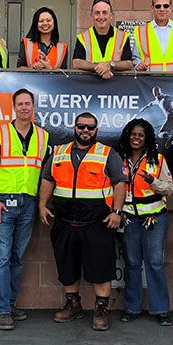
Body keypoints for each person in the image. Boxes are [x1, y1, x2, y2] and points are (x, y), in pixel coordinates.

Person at [39, 113, 127, 331]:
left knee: (101, 268)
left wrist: (117, 211)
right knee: (67, 266)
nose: (85, 131)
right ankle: (73, 304)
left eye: (90, 127)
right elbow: (48, 179)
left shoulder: (107, 153)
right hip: (65, 221)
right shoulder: (59, 152)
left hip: (97, 222)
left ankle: (100, 309)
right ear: (74, 127)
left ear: (96, 130)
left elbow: (120, 183)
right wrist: (42, 205)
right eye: (81, 126)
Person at [0, 88, 49, 330]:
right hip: (3, 202)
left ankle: (10, 303)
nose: (24, 107)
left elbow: (44, 174)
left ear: (33, 107)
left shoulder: (43, 136)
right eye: (20, 104)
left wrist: (41, 203)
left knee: (17, 257)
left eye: (28, 104)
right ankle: (2, 310)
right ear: (13, 107)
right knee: (2, 257)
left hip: (28, 203)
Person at [117, 119, 173, 326]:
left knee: (155, 263)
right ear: (127, 135)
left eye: (141, 135)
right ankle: (132, 308)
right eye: (133, 134)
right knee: (132, 263)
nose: (136, 137)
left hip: (154, 217)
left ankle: (160, 310)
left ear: (147, 138)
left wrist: (153, 181)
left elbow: (169, 188)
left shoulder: (157, 159)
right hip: (128, 218)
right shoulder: (118, 159)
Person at [72, 0, 133, 79]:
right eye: (97, 13)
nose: (101, 17)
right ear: (91, 16)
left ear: (111, 16)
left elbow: (128, 64)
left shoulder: (123, 37)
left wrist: (110, 64)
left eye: (104, 13)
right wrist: (100, 68)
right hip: (89, 86)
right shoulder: (83, 37)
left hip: (117, 86)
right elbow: (76, 63)